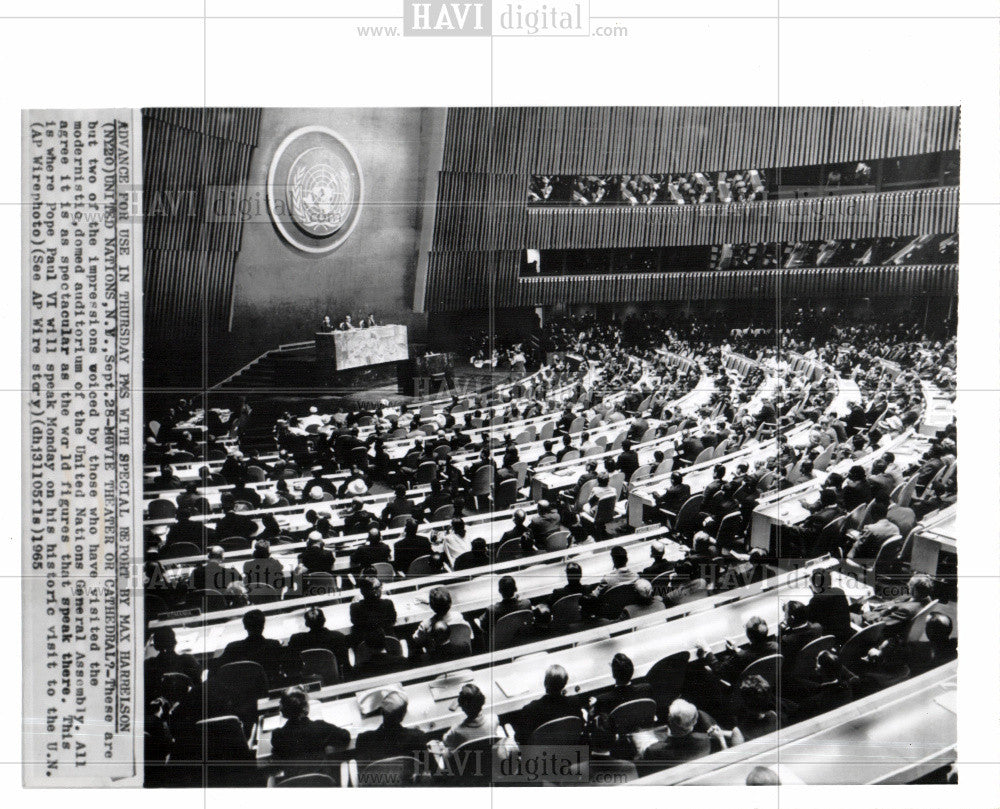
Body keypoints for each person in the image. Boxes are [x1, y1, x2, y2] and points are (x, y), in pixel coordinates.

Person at [270, 687, 350, 774]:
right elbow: (345, 737)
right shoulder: (320, 727)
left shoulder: (277, 735)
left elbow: (276, 762)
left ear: (283, 710)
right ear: (306, 707)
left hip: (295, 785)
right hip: (322, 783)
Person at [640, 699, 727, 765]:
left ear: (669, 719)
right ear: (694, 722)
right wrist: (721, 738)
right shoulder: (707, 741)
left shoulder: (653, 751)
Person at [696, 616, 778, 684]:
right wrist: (737, 649)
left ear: (748, 634)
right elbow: (755, 653)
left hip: (740, 688)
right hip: (765, 682)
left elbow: (719, 669)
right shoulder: (775, 646)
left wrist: (707, 650)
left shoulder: (741, 657)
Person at [353, 690, 429, 764]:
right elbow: (434, 770)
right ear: (404, 713)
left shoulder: (363, 739)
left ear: (382, 711)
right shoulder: (417, 737)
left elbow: (362, 773)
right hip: (408, 777)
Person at [513, 665, 582, 743]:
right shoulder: (574, 703)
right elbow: (580, 726)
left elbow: (519, 738)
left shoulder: (530, 709)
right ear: (564, 683)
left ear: (545, 683)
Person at [218, 609, 288, 685]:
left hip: (242, 690)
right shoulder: (274, 645)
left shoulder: (233, 648)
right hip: (269, 686)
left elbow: (218, 668)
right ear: (263, 626)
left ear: (245, 626)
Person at [862, 574, 935, 638]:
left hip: (873, 626)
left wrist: (867, 611)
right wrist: (879, 606)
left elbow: (881, 624)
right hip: (882, 611)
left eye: (910, 585)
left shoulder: (906, 610)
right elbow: (895, 603)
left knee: (851, 614)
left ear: (916, 591)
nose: (907, 585)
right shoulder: (925, 598)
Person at [590, 653, 654, 722]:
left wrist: (592, 710)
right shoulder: (646, 689)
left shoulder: (601, 701)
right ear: (632, 671)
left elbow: (592, 726)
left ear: (614, 674)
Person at [145, 627, 202, 702]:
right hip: (185, 706)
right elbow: (199, 688)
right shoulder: (188, 660)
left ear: (155, 645)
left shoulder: (149, 664)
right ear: (175, 642)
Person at [443, 684, 501, 750]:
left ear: (462, 708)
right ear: (482, 702)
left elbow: (446, 742)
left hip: (467, 759)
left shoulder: (456, 730)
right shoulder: (494, 718)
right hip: (489, 755)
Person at [804, 568, 853, 642]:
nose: (811, 586)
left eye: (811, 584)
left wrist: (815, 594)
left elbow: (808, 619)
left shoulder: (815, 601)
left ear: (816, 585)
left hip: (832, 640)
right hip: (846, 635)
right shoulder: (839, 591)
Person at [349, 576, 398, 643]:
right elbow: (393, 620)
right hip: (388, 644)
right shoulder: (388, 604)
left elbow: (355, 624)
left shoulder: (355, 608)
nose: (381, 588)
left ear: (361, 592)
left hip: (366, 648)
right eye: (380, 587)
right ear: (376, 591)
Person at [778, 600, 823, 672]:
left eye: (785, 614)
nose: (784, 617)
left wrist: (781, 633)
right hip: (819, 664)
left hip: (801, 672)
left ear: (791, 618)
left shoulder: (788, 640)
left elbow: (785, 663)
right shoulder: (818, 627)